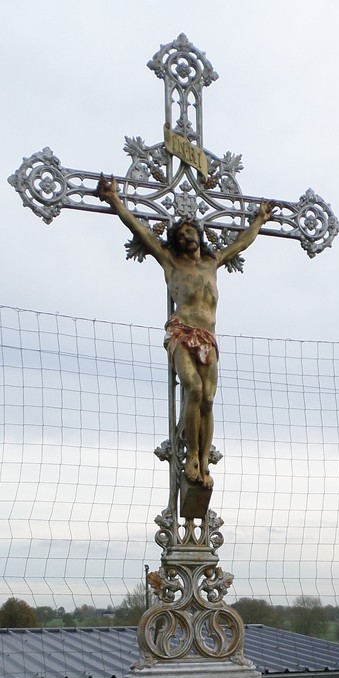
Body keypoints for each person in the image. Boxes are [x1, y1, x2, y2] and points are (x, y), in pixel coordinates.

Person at [96, 174, 273, 488]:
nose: (187, 236)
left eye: (191, 231)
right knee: (192, 388)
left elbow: (241, 243)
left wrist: (259, 220)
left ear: (199, 236)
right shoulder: (171, 264)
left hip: (208, 338)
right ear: (175, 241)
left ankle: (205, 462)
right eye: (181, 234)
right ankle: (192, 455)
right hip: (182, 332)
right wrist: (115, 200)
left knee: (208, 399)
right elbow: (141, 232)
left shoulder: (212, 262)